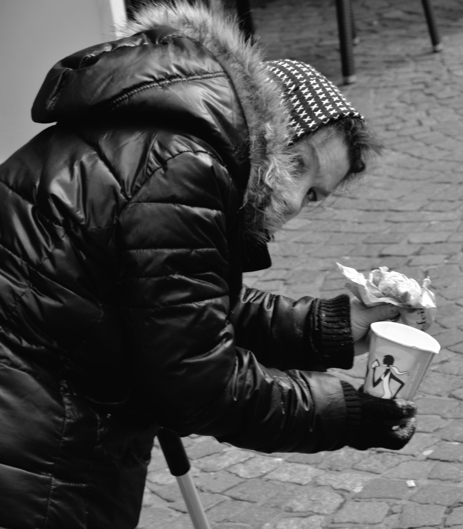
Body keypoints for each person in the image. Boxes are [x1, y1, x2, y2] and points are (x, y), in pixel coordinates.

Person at [0, 2, 417, 528]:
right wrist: (346, 413)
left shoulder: (164, 136)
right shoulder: (185, 167)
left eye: (313, 194)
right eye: (296, 164)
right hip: (32, 444)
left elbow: (174, 304)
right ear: (267, 127)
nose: (292, 200)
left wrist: (326, 327)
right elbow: (197, 384)